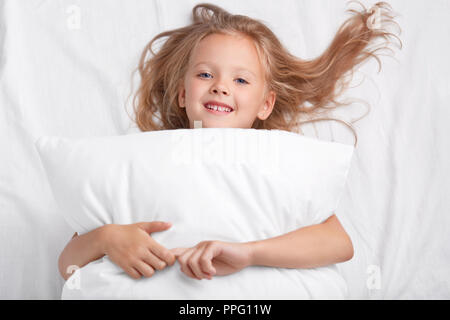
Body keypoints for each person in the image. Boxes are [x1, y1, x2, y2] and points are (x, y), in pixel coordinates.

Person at [59, 2, 401, 282]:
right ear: (182, 93)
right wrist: (108, 239)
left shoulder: (278, 159)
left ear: (266, 104)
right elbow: (67, 265)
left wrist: (249, 253)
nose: (221, 86)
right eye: (206, 74)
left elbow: (338, 243)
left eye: (240, 79)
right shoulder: (144, 158)